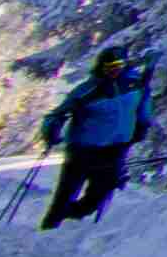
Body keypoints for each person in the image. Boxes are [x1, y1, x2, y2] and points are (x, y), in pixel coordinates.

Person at [38, 50, 152, 228]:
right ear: (101, 68)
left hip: (114, 149)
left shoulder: (135, 85)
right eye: (109, 67)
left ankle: (69, 223)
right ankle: (50, 227)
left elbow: (143, 106)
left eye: (118, 66)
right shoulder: (87, 90)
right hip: (82, 150)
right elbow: (58, 114)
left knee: (99, 194)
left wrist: (142, 125)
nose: (114, 71)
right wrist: (52, 130)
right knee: (65, 194)